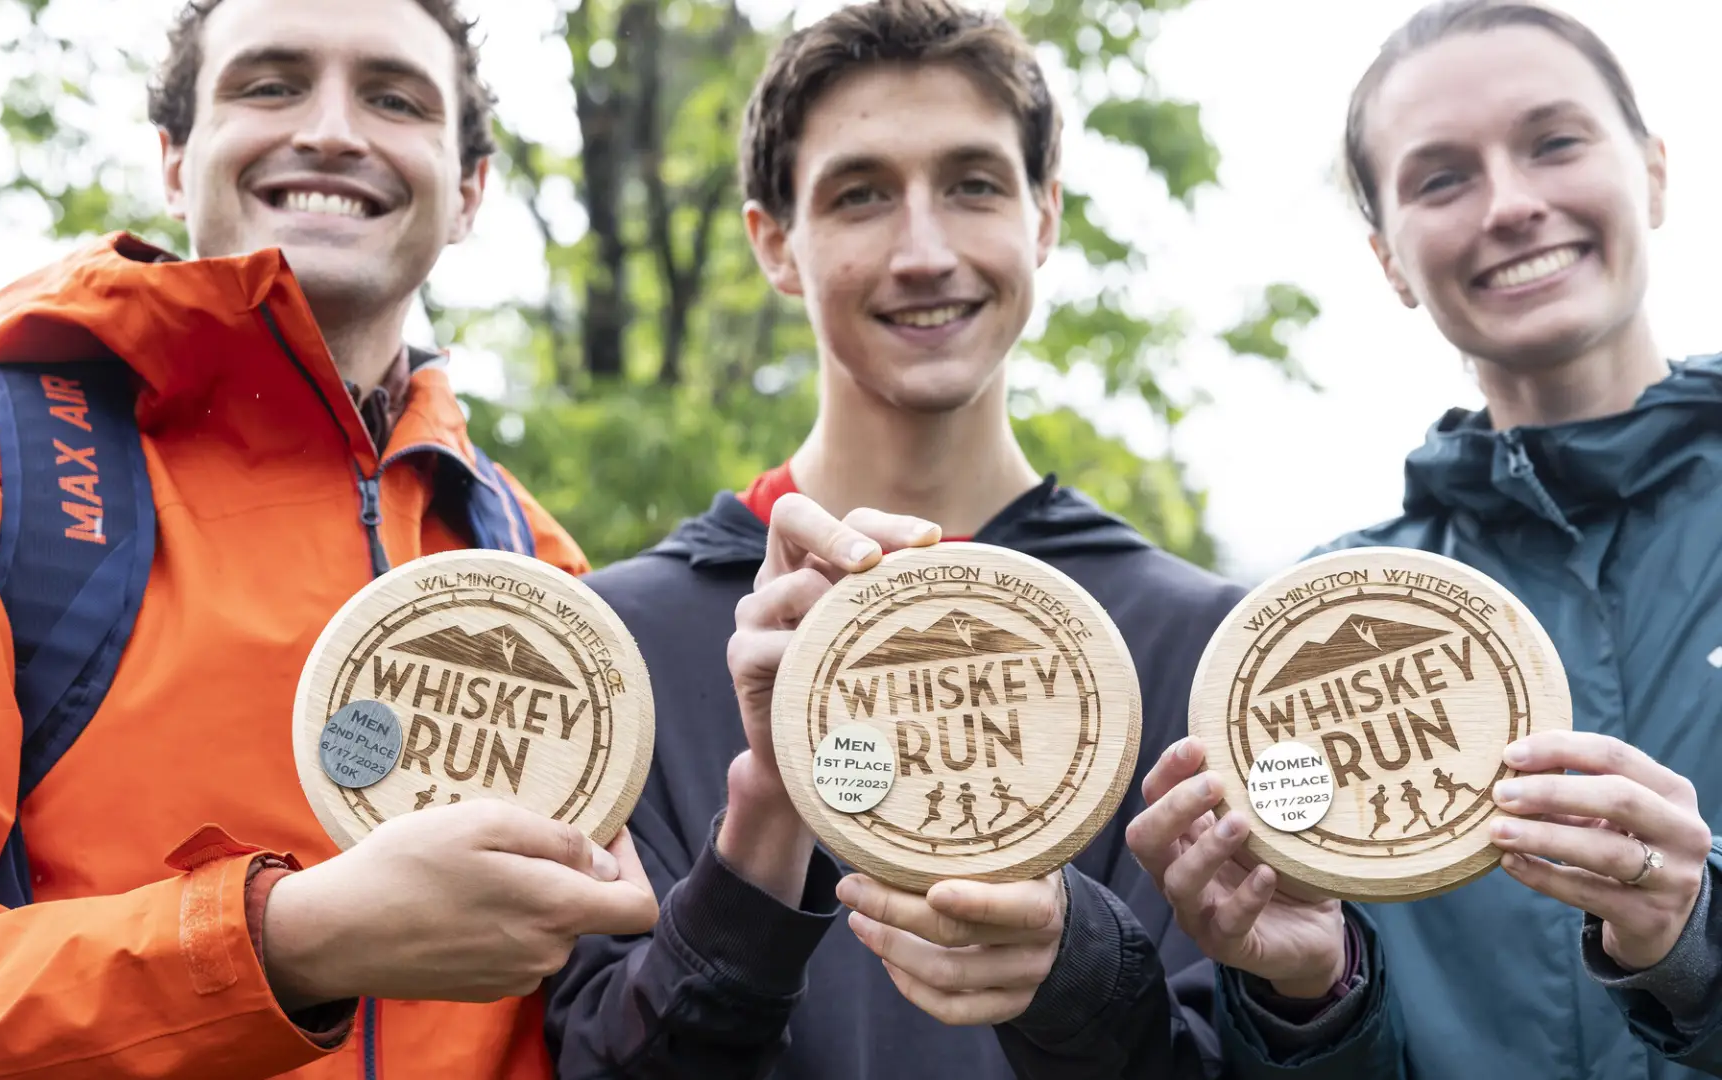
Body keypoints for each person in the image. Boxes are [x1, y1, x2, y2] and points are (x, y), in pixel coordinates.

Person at [0, 0, 660, 1076]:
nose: (334, 132)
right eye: (270, 84)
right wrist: (289, 941)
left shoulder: (537, 572)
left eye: (394, 99)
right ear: (173, 158)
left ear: (470, 190)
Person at [544, 2, 1367, 1076]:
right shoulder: (613, 648)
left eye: (974, 184)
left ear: (1045, 218)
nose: (923, 251)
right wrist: (763, 832)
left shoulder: (1209, 647)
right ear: (776, 244)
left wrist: (1081, 980)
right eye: (860, 195)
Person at [1126, 2, 1722, 1077]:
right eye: (1441, 178)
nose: (1512, 204)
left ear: (1656, 170)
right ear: (1389, 261)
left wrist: (1700, 945)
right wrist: (1308, 995)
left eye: (1554, 141)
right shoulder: (1309, 616)